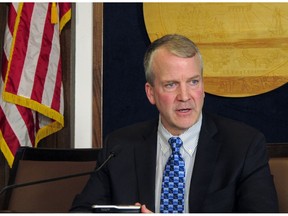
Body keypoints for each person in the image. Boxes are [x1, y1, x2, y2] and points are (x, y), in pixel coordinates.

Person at [70, 34, 279, 213]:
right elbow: (81, 211)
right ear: (151, 93)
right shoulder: (119, 147)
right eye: (171, 85)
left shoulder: (243, 146)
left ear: (203, 86)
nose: (185, 96)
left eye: (193, 82)